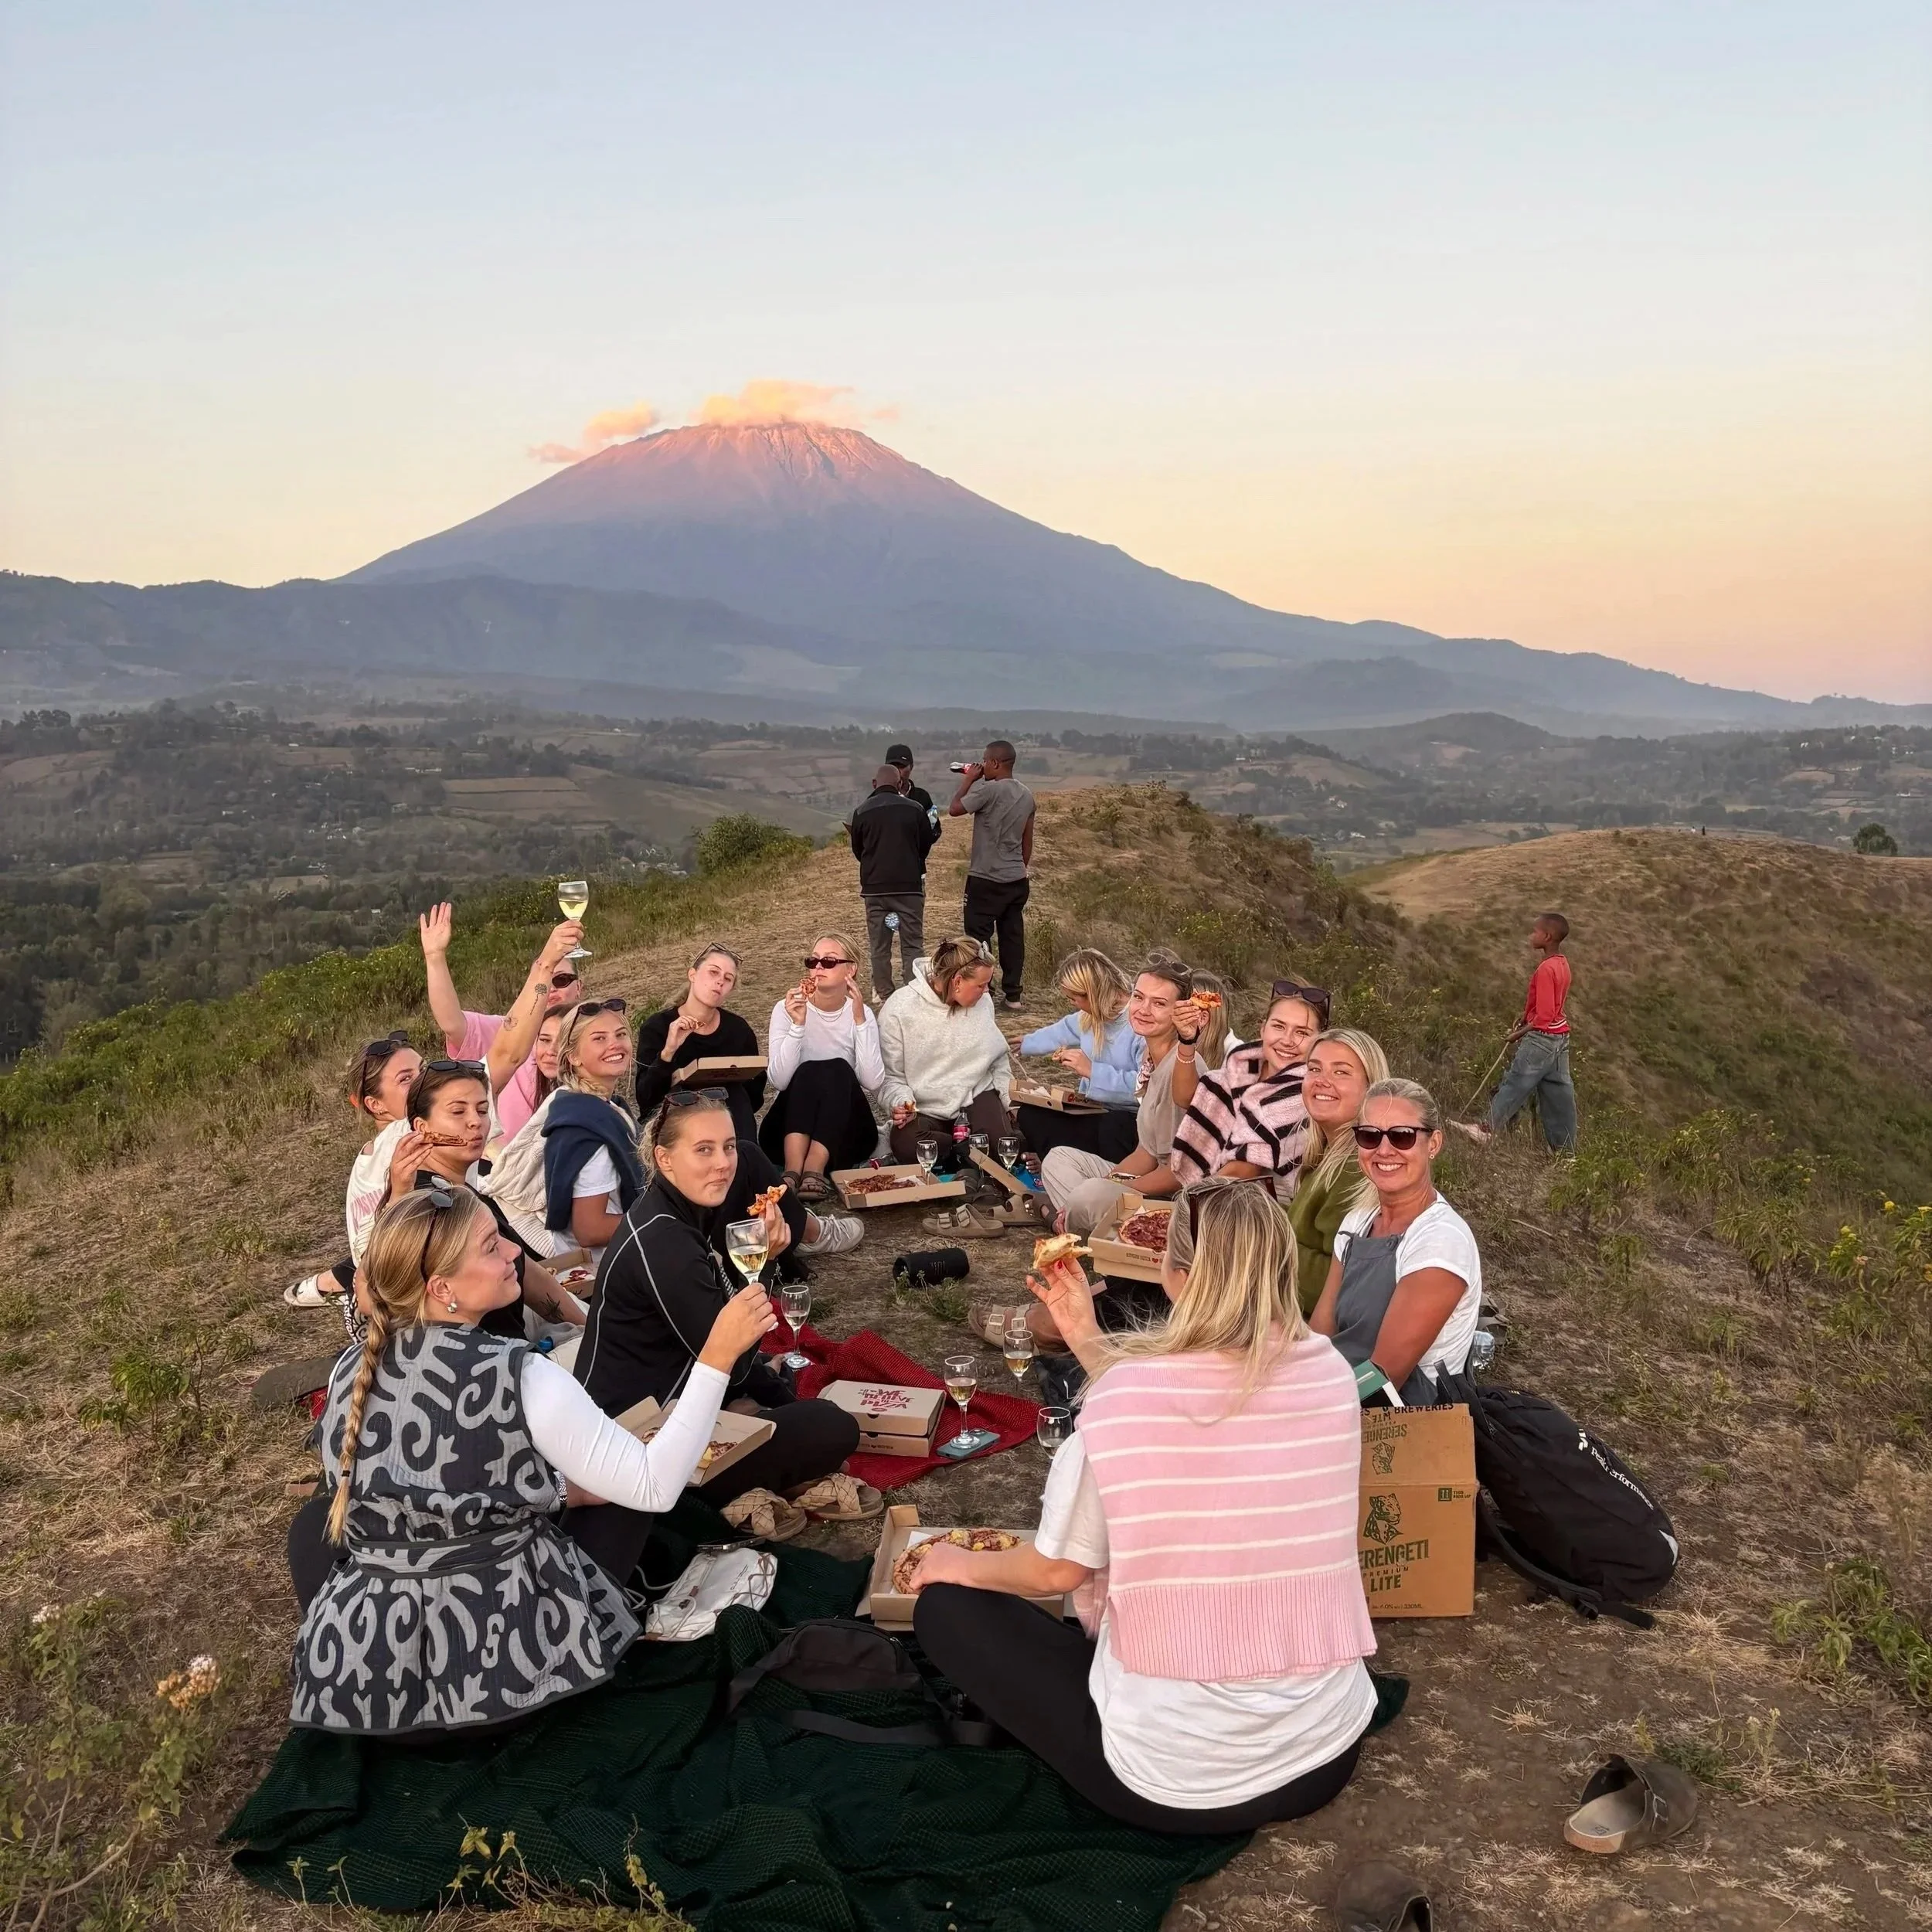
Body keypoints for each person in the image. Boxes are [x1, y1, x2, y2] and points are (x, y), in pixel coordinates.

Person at [911, 1179, 1377, 1833]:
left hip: (1174, 1781)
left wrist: (954, 1560)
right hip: (1325, 1752)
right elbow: (1206, 1424)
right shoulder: (1328, 1373)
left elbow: (1054, 1573)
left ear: (1175, 1274)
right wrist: (1084, 1335)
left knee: (946, 1609)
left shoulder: (1123, 1405)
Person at [285, 1183, 778, 1735]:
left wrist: (563, 1491)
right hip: (501, 1684)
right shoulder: (522, 1374)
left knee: (315, 1523)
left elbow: (444, 1487)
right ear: (442, 1287)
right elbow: (656, 1486)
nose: (515, 1252)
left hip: (374, 1686)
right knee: (624, 1496)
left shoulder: (352, 1367)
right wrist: (717, 1355)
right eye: (492, 1247)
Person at [567, 1089, 863, 1587]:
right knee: (832, 1426)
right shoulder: (665, 1241)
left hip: (665, 1411)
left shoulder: (672, 1212)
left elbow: (720, 1338)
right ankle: (700, 1502)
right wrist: (763, 1268)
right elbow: (738, 1355)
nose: (724, 1163)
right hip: (635, 1438)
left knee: (801, 1415)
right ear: (664, 1158)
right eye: (703, 1150)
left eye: (728, 1147)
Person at [1310, 1078, 1483, 1406]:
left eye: (1402, 1136)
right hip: (1337, 1395)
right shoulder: (1356, 1224)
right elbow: (1320, 1337)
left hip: (1402, 1424)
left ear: (1433, 1144)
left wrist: (1305, 1411)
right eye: (1369, 1135)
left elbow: (1383, 1380)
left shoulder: (1441, 1242)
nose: (1384, 1150)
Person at [391, 1060, 587, 1334]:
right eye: (458, 1111)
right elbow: (378, 1292)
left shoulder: (461, 1191)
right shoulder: (427, 1206)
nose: (476, 1122)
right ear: (422, 1128)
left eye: (482, 1110)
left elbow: (529, 1273)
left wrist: (589, 1332)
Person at [1037, 954, 1219, 1240]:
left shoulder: (1184, 1068)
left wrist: (1121, 1190)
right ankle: (1080, 1222)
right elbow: (1146, 1153)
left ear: (1180, 1012)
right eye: (1139, 997)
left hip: (1175, 1196)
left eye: (1159, 1003)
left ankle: (1083, 1226)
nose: (1143, 1009)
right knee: (1059, 1160)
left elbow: (1180, 1172)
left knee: (1089, 1194)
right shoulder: (1151, 1059)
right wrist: (1109, 1181)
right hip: (1150, 1180)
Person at [483, 999, 646, 1260]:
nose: (614, 1044)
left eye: (621, 1034)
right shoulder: (586, 1123)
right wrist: (663, 1220)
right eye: (599, 1039)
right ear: (573, 1056)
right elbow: (590, 1230)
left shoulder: (604, 1105)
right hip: (599, 1267)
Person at [420, 903, 587, 1140]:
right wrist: (435, 957)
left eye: (562, 980)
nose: (550, 989)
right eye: (543, 978)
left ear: (579, 987)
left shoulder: (591, 1038)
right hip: (504, 1164)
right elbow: (452, 1023)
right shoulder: (505, 1032)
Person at [282, 1031, 425, 1308]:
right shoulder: (405, 1132)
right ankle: (333, 1281)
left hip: (380, 1294)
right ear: (375, 1105)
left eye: (424, 1069)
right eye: (407, 1079)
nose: (425, 1081)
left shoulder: (365, 1159)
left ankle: (333, 1281)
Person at [1170, 981, 1328, 1196]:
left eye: (1302, 1032)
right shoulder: (1234, 1075)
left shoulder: (1304, 1095)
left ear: (1319, 1042)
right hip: (1212, 1195)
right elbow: (1185, 1099)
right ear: (1263, 1029)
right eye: (1279, 1026)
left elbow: (1243, 1168)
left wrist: (1188, 1203)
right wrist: (1187, 1041)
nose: (1287, 1040)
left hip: (1261, 1212)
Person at [760, 932, 885, 1199]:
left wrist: (860, 1021)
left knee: (838, 1068)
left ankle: (814, 1167)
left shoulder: (860, 1013)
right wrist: (798, 1026)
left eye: (828, 962)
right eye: (813, 961)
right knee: (810, 1069)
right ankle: (794, 1170)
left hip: (844, 1135)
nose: (817, 968)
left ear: (850, 969)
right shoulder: (786, 1008)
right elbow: (780, 1081)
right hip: (787, 1130)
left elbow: (873, 1081)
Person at [876, 937, 1013, 1162]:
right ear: (958, 981)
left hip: (976, 1095)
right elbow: (890, 1076)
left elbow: (998, 1060)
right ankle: (969, 1153)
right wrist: (901, 1102)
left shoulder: (984, 1002)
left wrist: (1009, 1102)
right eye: (980, 985)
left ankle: (963, 1152)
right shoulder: (899, 1008)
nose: (986, 991)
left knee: (1002, 1145)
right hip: (924, 1107)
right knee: (910, 1147)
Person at [1284, 1030, 1390, 1316]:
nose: (1322, 1080)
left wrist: (1261, 1244)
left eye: (1341, 1072)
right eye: (1314, 1068)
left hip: (1315, 1336)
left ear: (1372, 1088)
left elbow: (1339, 1280)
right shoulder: (1328, 1153)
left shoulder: (1357, 1167)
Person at [1010, 948, 1144, 1163]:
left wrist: (1092, 1071)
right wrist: (1028, 1043)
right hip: (1092, 1109)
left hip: (1130, 1120)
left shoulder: (1139, 1022)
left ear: (1092, 994)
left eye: (1074, 998)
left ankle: (1104, 1177)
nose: (1072, 1003)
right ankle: (1058, 1167)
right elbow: (1061, 1031)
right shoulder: (1088, 1018)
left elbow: (1146, 1088)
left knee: (1113, 1125)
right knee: (1031, 1115)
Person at [1461, 912, 1577, 1152]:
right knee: (1560, 1095)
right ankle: (1566, 1152)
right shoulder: (1562, 964)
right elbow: (1553, 1007)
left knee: (1515, 1083)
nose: (1531, 936)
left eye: (1535, 932)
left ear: (1547, 936)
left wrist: (1519, 1033)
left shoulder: (1546, 969)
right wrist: (1526, 1017)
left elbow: (1544, 1017)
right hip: (1560, 1037)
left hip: (1542, 1040)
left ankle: (1486, 1130)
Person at [634, 943, 765, 1143]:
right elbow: (646, 1100)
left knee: (735, 1094)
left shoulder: (738, 1030)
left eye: (728, 978)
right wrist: (668, 1052)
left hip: (727, 1119)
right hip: (675, 1124)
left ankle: (743, 1165)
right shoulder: (657, 1027)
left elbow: (755, 1094)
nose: (720, 982)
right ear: (692, 975)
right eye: (713, 972)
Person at [948, 740, 1036, 1009]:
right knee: (1012, 936)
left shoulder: (987, 790)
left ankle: (983, 992)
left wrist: (969, 780)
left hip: (985, 878)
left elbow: (955, 809)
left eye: (985, 761)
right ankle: (1013, 996)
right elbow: (1027, 842)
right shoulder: (1027, 796)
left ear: (995, 763)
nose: (982, 765)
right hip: (1016, 878)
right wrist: (1019, 868)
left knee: (977, 938)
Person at [849, 766, 940, 995]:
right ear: (900, 784)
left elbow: (859, 850)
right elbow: (925, 844)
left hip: (875, 890)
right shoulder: (915, 808)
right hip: (909, 888)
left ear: (874, 784)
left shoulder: (861, 812)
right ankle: (913, 993)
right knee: (912, 944)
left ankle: (885, 993)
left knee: (880, 947)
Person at [886, 742, 940, 830]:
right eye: (893, 767)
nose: (897, 771)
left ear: (911, 767)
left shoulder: (922, 797)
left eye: (901, 766)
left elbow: (935, 830)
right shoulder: (877, 799)